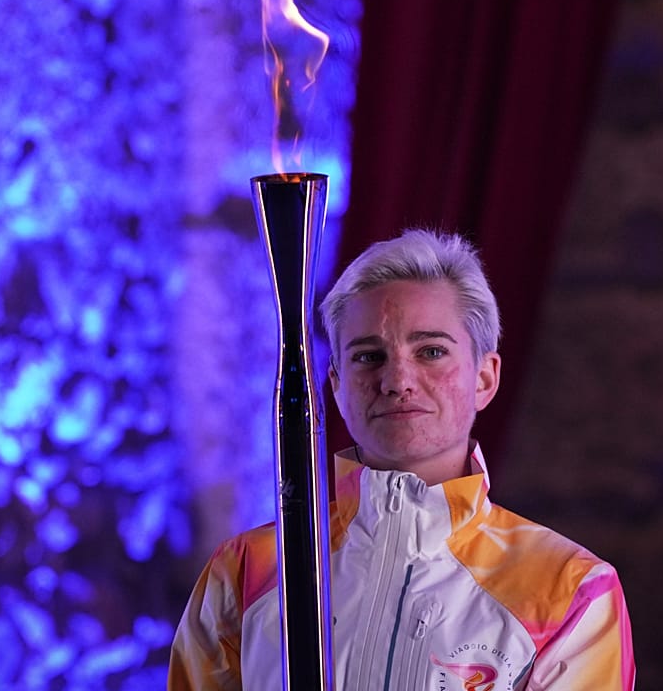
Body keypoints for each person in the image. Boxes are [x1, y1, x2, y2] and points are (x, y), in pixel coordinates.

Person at [169, 229, 634, 690]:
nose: (397, 381)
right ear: (336, 385)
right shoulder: (247, 571)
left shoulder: (567, 589)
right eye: (369, 357)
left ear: (484, 378)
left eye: (431, 351)